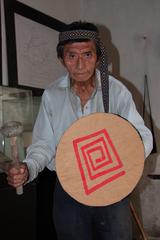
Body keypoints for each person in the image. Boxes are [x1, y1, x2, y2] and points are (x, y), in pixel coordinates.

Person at [5, 21, 153, 240]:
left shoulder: (116, 92)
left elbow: (142, 137)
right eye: (72, 56)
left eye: (87, 55)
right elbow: (44, 144)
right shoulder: (52, 95)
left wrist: (124, 161)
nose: (80, 65)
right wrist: (28, 168)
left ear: (98, 57)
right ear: (62, 59)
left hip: (112, 190)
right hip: (68, 190)